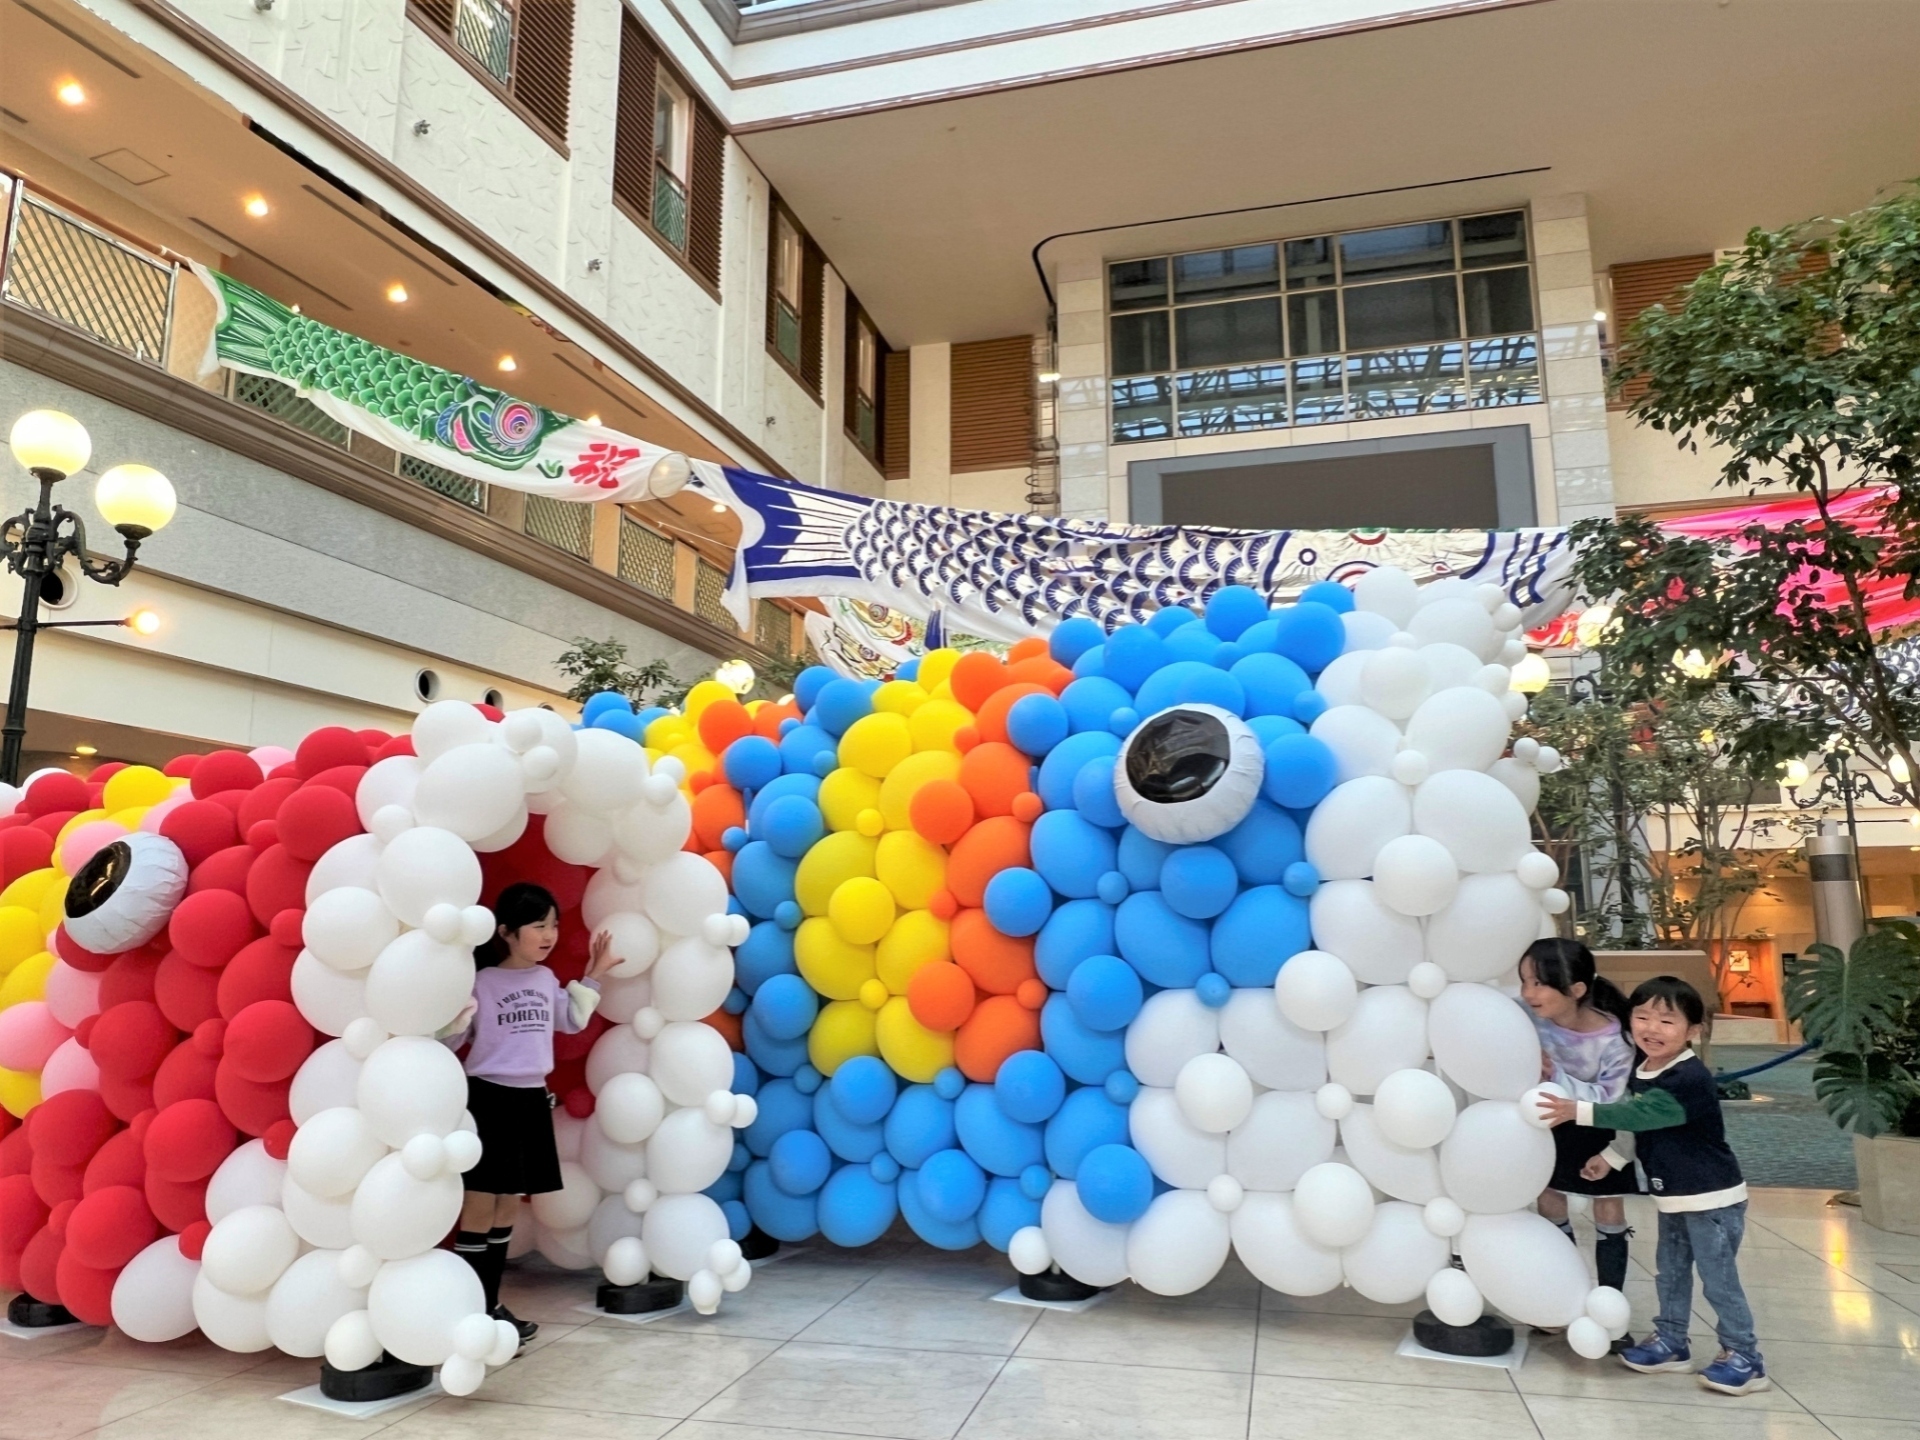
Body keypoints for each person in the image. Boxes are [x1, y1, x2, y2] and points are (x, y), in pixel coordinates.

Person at [1537, 976, 1765, 1396]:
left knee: (1718, 1280)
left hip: (1711, 1199)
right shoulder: (1646, 1068)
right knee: (1671, 1272)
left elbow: (1641, 1116)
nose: (1651, 1028)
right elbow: (1639, 1126)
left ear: (1693, 1030)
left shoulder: (1688, 1077)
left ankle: (1744, 1356)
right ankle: (1672, 1342)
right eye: (1642, 1017)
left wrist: (1577, 1111)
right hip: (1673, 1195)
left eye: (1666, 1021)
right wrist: (1611, 1158)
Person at [442, 882, 617, 1343]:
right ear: (506, 931)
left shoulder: (544, 980)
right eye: (539, 925)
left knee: (507, 1209)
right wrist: (454, 1016)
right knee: (478, 1208)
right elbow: (450, 1041)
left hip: (530, 1100)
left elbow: (572, 1019)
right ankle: (465, 1309)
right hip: (489, 1099)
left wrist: (594, 974)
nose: (549, 935)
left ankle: (490, 1303)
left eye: (554, 925)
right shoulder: (481, 982)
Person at [1518, 937, 1638, 1345]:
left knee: (1608, 1208)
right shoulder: (1526, 1019)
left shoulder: (1615, 1038)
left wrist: (1555, 1077)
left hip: (1598, 1129)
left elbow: (1610, 1098)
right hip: (1546, 1124)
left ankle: (1612, 1311)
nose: (1528, 993)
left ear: (1577, 989)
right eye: (1525, 982)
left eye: (1538, 983)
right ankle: (1561, 1300)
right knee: (1549, 1199)